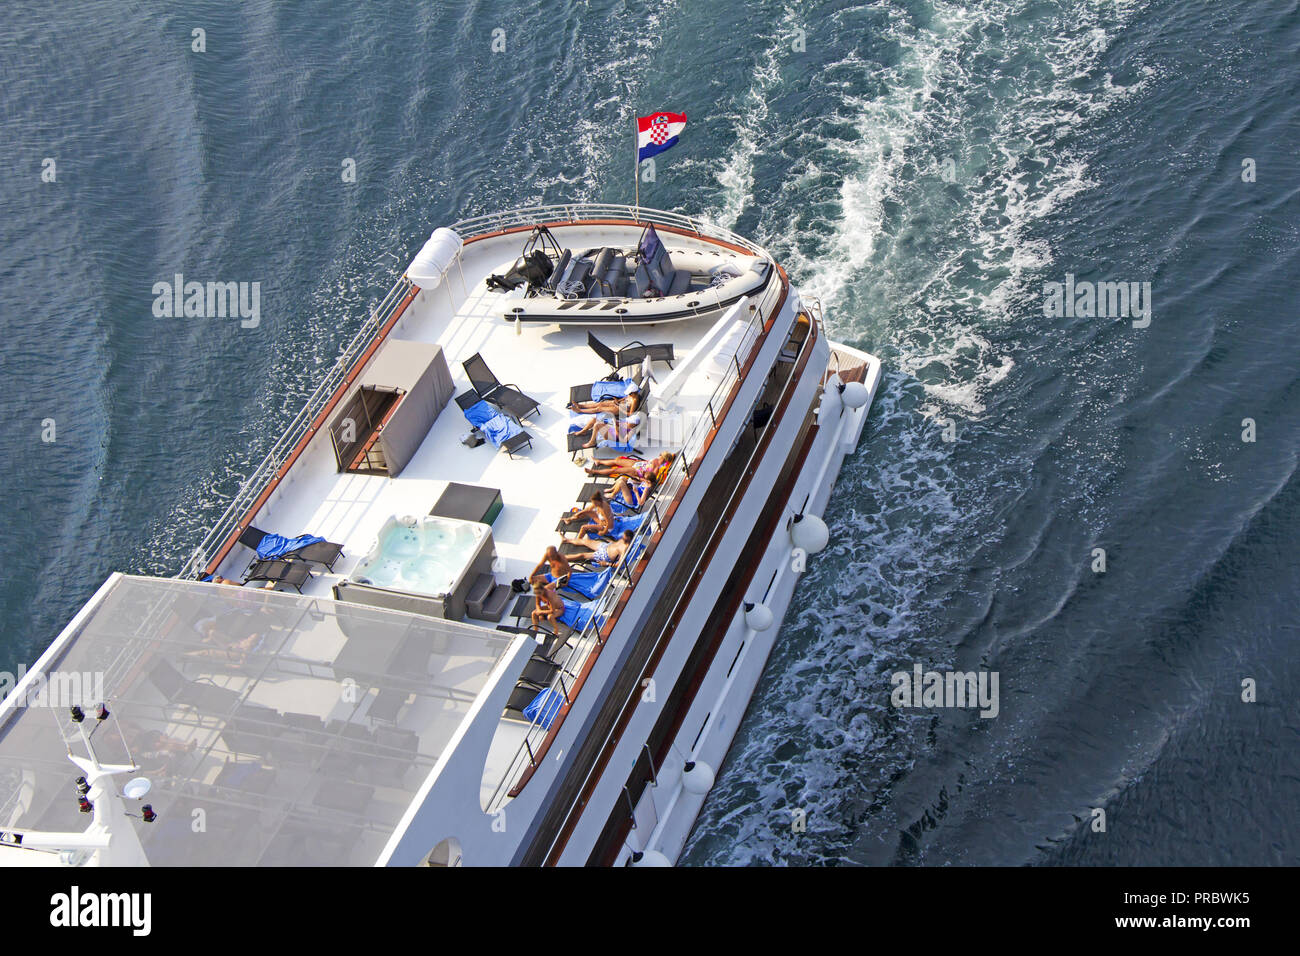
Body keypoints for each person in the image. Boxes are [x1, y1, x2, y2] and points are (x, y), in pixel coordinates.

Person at [585, 451, 675, 481]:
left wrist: (640, 477)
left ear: (664, 458)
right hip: (637, 464)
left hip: (637, 471)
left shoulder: (657, 469)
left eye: (661, 455)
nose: (660, 455)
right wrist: (639, 461)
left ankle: (594, 471)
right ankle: (599, 461)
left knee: (615, 471)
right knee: (617, 461)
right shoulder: (656, 459)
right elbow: (646, 462)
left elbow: (649, 478)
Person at [569, 529, 635, 567]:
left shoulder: (625, 548)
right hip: (605, 546)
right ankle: (566, 540)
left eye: (624, 537)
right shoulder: (623, 540)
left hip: (604, 555)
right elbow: (616, 544)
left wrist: (606, 563)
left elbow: (619, 564)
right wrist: (611, 542)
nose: (622, 538)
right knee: (585, 541)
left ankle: (563, 558)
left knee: (582, 555)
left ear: (628, 538)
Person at [569, 389, 642, 416]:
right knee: (599, 404)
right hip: (619, 404)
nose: (628, 395)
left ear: (633, 393)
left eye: (629, 394)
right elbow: (625, 398)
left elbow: (630, 414)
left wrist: (619, 407)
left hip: (620, 410)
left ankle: (580, 411)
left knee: (599, 408)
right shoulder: (631, 395)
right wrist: (617, 401)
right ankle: (581, 406)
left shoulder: (634, 401)